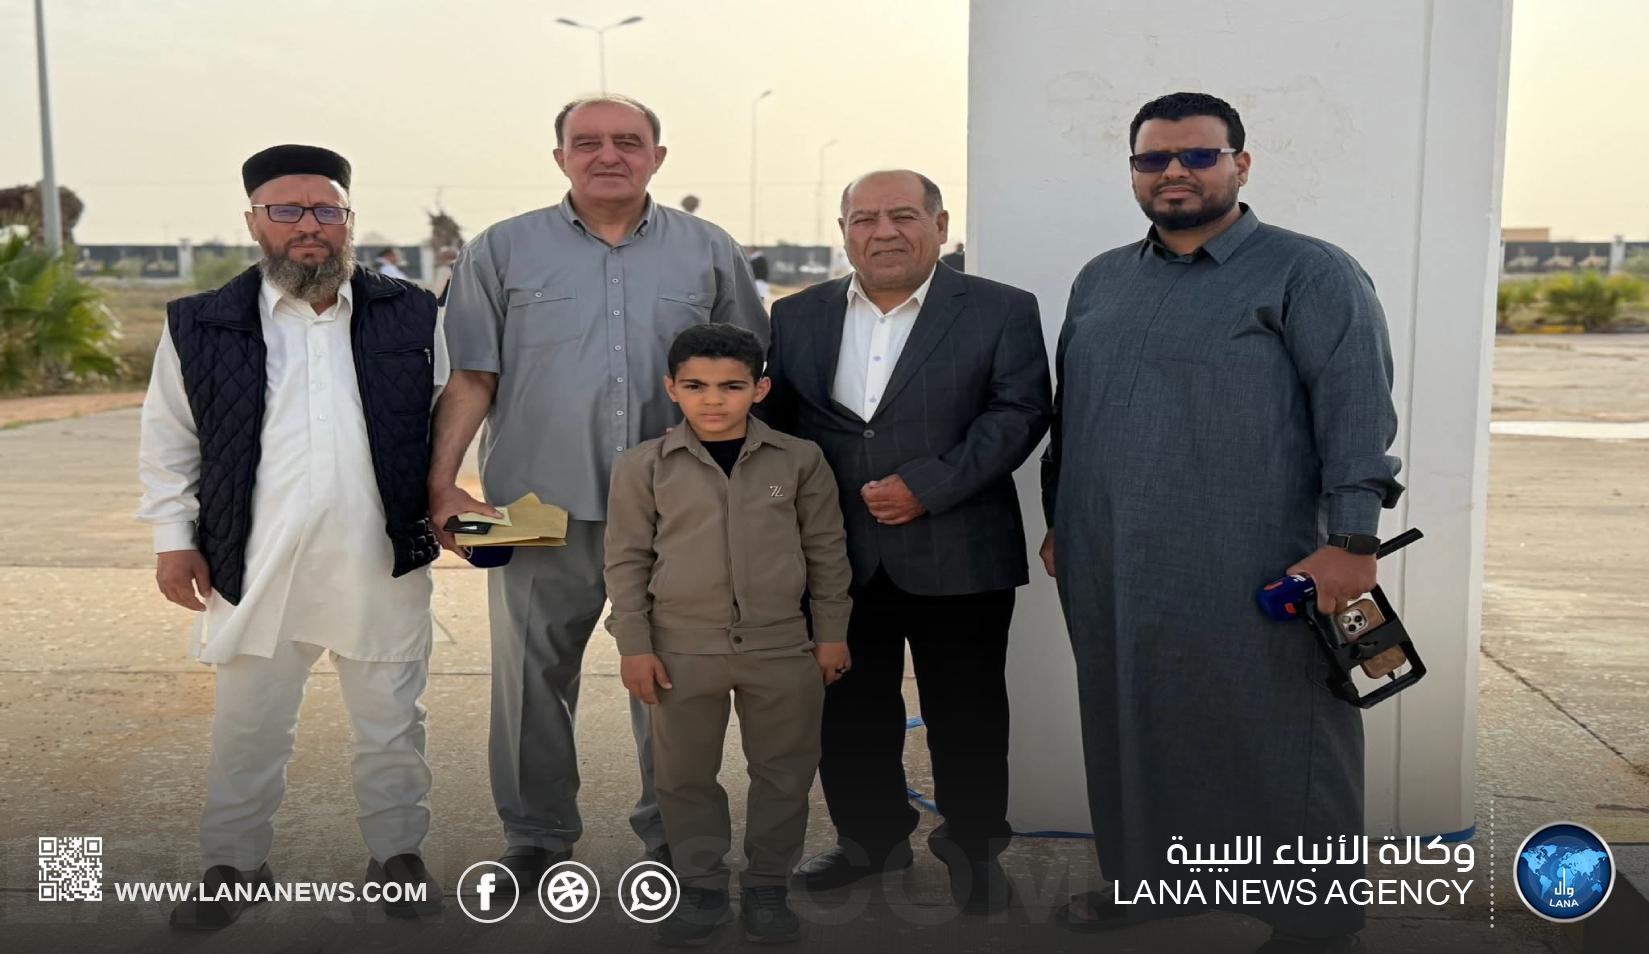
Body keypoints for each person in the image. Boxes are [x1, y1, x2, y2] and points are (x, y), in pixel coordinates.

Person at [1040, 92, 1403, 954]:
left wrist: (1352, 542)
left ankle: (1316, 918)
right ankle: (1152, 882)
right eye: (1152, 158)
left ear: (1239, 164)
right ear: (1133, 172)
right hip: (1109, 557)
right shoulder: (1101, 278)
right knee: (1130, 721)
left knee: (1284, 733)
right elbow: (1073, 415)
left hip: (1256, 552)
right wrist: (1061, 520)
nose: (1173, 171)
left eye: (1197, 155)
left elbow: (1356, 414)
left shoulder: (1309, 272)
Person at [431, 94, 770, 900]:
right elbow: (471, 376)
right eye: (586, 142)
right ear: (560, 158)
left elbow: (750, 377)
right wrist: (442, 485)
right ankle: (536, 837)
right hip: (533, 508)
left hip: (679, 510)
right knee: (529, 680)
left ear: (658, 155)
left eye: (627, 140)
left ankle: (673, 833)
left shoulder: (709, 251)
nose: (607, 155)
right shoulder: (501, 250)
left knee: (672, 680)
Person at [136, 144, 446, 929]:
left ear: (348, 220)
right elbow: (169, 439)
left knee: (391, 722)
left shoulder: (414, 314)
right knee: (248, 727)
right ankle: (234, 862)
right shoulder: (200, 322)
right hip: (254, 558)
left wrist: (453, 502)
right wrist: (173, 537)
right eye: (287, 210)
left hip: (378, 560)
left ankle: (396, 854)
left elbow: (450, 420)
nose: (309, 226)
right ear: (254, 222)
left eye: (326, 210)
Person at [761, 169, 1052, 913]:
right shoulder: (796, 316)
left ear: (940, 225)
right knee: (847, 710)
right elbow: (781, 427)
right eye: (863, 219)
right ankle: (870, 838)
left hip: (960, 546)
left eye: (902, 215)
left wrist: (930, 484)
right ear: (844, 232)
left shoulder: (1000, 309)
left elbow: (1019, 412)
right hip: (834, 557)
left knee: (968, 713)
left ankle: (973, 847)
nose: (882, 231)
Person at [605, 323, 852, 945]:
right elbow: (626, 561)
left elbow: (826, 551)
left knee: (785, 774)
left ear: (759, 388)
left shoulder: (800, 460)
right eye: (696, 386)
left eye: (731, 386)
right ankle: (702, 889)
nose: (713, 400)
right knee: (684, 777)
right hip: (681, 650)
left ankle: (768, 888)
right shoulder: (642, 466)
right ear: (672, 388)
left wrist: (831, 634)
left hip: (782, 647)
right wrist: (634, 646)